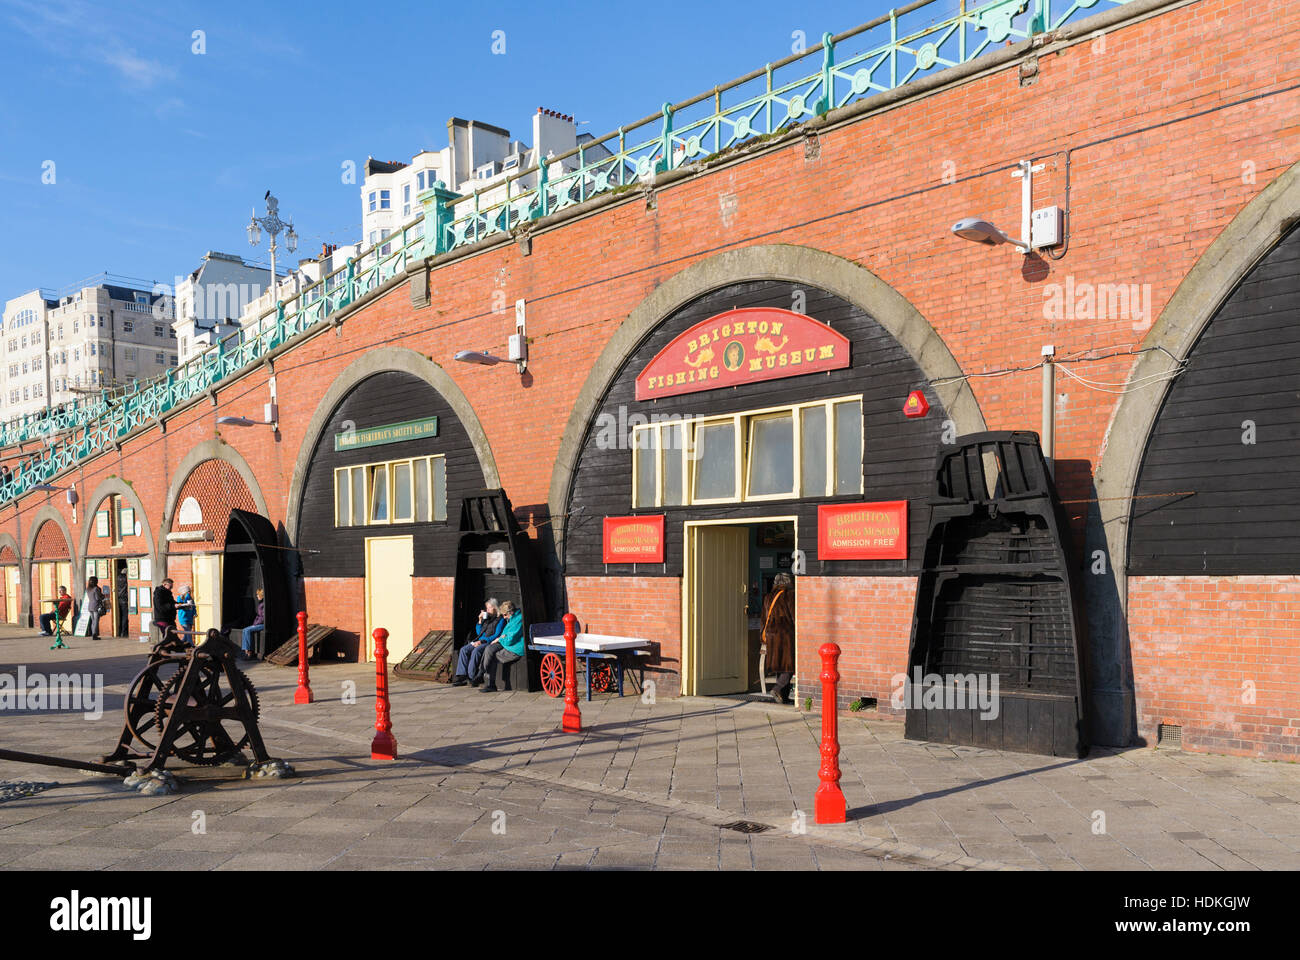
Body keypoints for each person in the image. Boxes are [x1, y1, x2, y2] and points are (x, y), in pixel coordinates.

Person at [451, 599, 503, 686]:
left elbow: (497, 634)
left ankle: (471, 677)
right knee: (464, 649)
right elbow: (479, 632)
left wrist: (482, 641)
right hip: (479, 640)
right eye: (487, 608)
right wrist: (479, 620)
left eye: (489, 608)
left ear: (495, 608)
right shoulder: (487, 619)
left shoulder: (500, 620)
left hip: (489, 641)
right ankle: (462, 676)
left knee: (476, 651)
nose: (487, 610)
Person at [761, 573, 796, 705]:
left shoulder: (768, 597)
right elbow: (794, 616)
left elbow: (763, 619)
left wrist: (763, 637)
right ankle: (777, 688)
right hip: (785, 635)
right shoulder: (790, 595)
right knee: (789, 665)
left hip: (771, 635)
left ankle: (783, 697)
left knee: (779, 665)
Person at [478, 600, 525, 693]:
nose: (504, 617)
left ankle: (489, 682)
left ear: (510, 612)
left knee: (493, 657)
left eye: (504, 615)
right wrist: (501, 638)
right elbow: (505, 635)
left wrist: (500, 639)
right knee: (490, 650)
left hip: (515, 648)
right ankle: (482, 673)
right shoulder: (512, 618)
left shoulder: (518, 620)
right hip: (509, 645)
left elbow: (510, 639)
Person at [240, 588, 265, 660]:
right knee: (245, 630)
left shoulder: (263, 604)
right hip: (258, 623)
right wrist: (254, 624)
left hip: (262, 624)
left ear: (261, 595)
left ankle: (249, 652)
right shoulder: (260, 604)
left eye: (258, 595)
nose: (257, 596)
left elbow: (262, 618)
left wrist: (255, 624)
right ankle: (245, 651)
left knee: (247, 630)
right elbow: (258, 616)